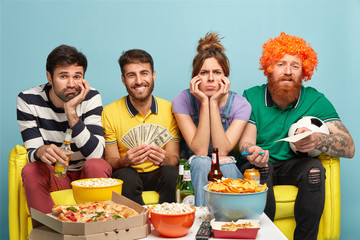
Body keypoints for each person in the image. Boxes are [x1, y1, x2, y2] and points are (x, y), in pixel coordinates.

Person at [238, 32, 355, 240]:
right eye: (281, 64)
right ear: (269, 69)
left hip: (293, 166)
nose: (288, 72)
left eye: (295, 66)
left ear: (304, 72)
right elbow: (245, 142)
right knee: (262, 169)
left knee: (314, 169)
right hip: (259, 163)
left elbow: (349, 146)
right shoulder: (252, 96)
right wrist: (251, 151)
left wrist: (318, 139)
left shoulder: (315, 100)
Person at [17, 45, 112, 214]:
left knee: (97, 165)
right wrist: (40, 151)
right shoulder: (28, 100)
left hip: (86, 175)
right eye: (63, 76)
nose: (71, 84)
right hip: (56, 175)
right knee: (32, 169)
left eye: (77, 76)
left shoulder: (91, 96)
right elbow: (32, 152)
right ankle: (48, 230)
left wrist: (71, 112)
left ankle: (97, 229)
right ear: (49, 77)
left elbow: (97, 154)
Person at [172, 32, 251, 206]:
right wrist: (204, 103)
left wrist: (213, 103)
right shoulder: (182, 100)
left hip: (225, 167)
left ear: (225, 77)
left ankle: (228, 223)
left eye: (217, 72)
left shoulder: (241, 104)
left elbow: (221, 151)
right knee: (201, 162)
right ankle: (201, 222)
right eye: (204, 72)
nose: (210, 78)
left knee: (226, 164)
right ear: (195, 77)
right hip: (194, 171)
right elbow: (199, 150)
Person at [101, 49, 181, 205]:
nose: (139, 81)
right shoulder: (109, 112)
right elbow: (110, 160)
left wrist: (164, 159)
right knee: (125, 176)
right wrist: (124, 161)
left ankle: (168, 219)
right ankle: (137, 224)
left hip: (158, 173)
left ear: (153, 75)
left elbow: (174, 157)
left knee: (172, 172)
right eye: (131, 75)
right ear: (123, 80)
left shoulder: (170, 110)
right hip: (128, 173)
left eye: (144, 73)